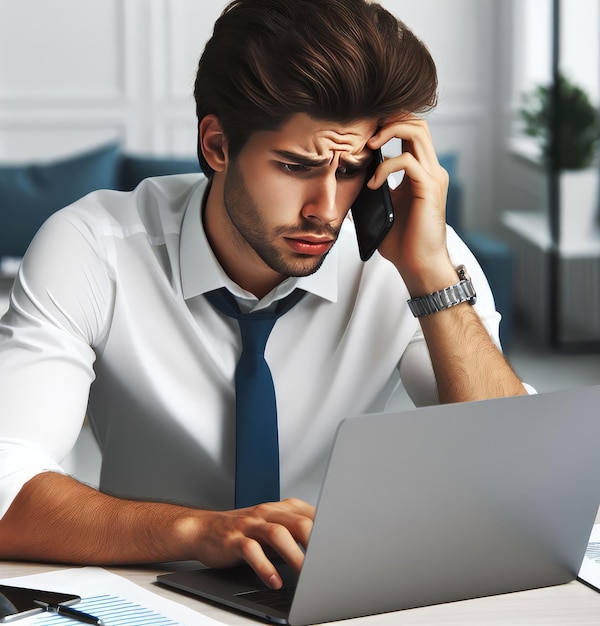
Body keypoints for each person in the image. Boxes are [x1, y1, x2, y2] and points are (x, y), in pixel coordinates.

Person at [0, 0, 527, 590]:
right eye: (295, 166)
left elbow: (517, 484)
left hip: (345, 591)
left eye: (351, 170)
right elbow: (5, 481)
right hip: (149, 591)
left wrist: (432, 278)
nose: (325, 211)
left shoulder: (416, 254)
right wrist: (201, 532)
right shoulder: (94, 246)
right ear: (218, 146)